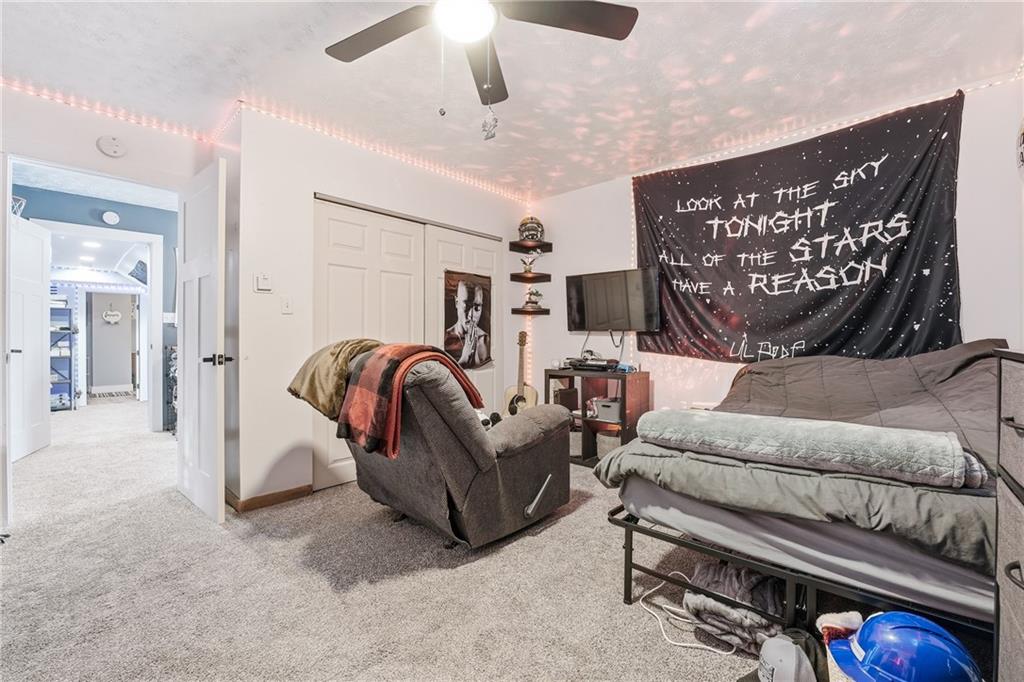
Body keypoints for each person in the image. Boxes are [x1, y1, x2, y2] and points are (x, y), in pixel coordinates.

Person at [445, 279, 490, 368]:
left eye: (477, 307)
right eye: (467, 305)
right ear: (457, 303)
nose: (471, 315)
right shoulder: (445, 337)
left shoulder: (485, 339)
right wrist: (465, 357)